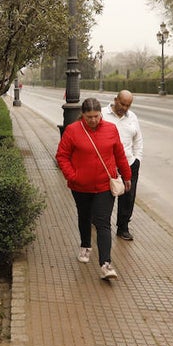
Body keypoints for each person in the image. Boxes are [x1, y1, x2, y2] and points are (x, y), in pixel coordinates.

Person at [56, 97, 132, 281]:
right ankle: (85, 245)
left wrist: (127, 175)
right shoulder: (73, 130)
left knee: (103, 221)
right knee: (84, 216)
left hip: (105, 185)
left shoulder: (111, 129)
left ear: (101, 114)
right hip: (80, 186)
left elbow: (119, 154)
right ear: (82, 115)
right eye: (89, 117)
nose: (93, 120)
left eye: (96, 116)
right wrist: (72, 176)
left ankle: (105, 264)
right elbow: (62, 156)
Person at [103, 90, 143, 241]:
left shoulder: (132, 117)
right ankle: (100, 222)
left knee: (128, 197)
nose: (124, 108)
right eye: (122, 103)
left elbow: (138, 140)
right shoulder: (102, 114)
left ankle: (123, 227)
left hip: (129, 163)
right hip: (108, 164)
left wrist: (137, 159)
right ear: (115, 100)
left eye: (128, 105)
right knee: (105, 196)